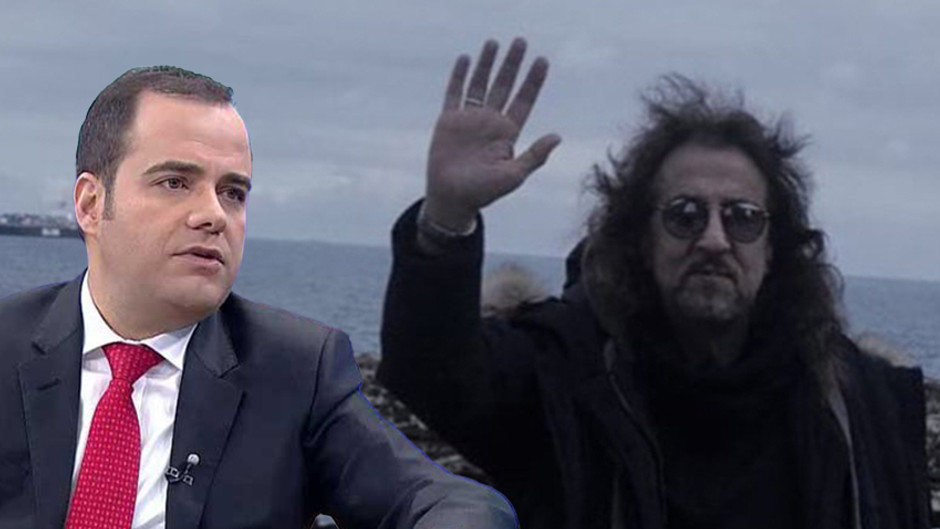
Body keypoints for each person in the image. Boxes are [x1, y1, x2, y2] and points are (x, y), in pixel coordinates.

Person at [378, 38, 931, 529]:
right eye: (685, 214)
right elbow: (435, 373)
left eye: (742, 217)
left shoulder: (861, 403)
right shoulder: (563, 375)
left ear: (774, 245)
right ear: (642, 238)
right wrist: (446, 217)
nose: (714, 239)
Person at [0, 66, 517, 529]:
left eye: (233, 193)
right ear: (91, 205)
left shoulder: (297, 370)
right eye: (175, 182)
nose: (213, 215)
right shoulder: (7, 345)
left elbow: (448, 503)